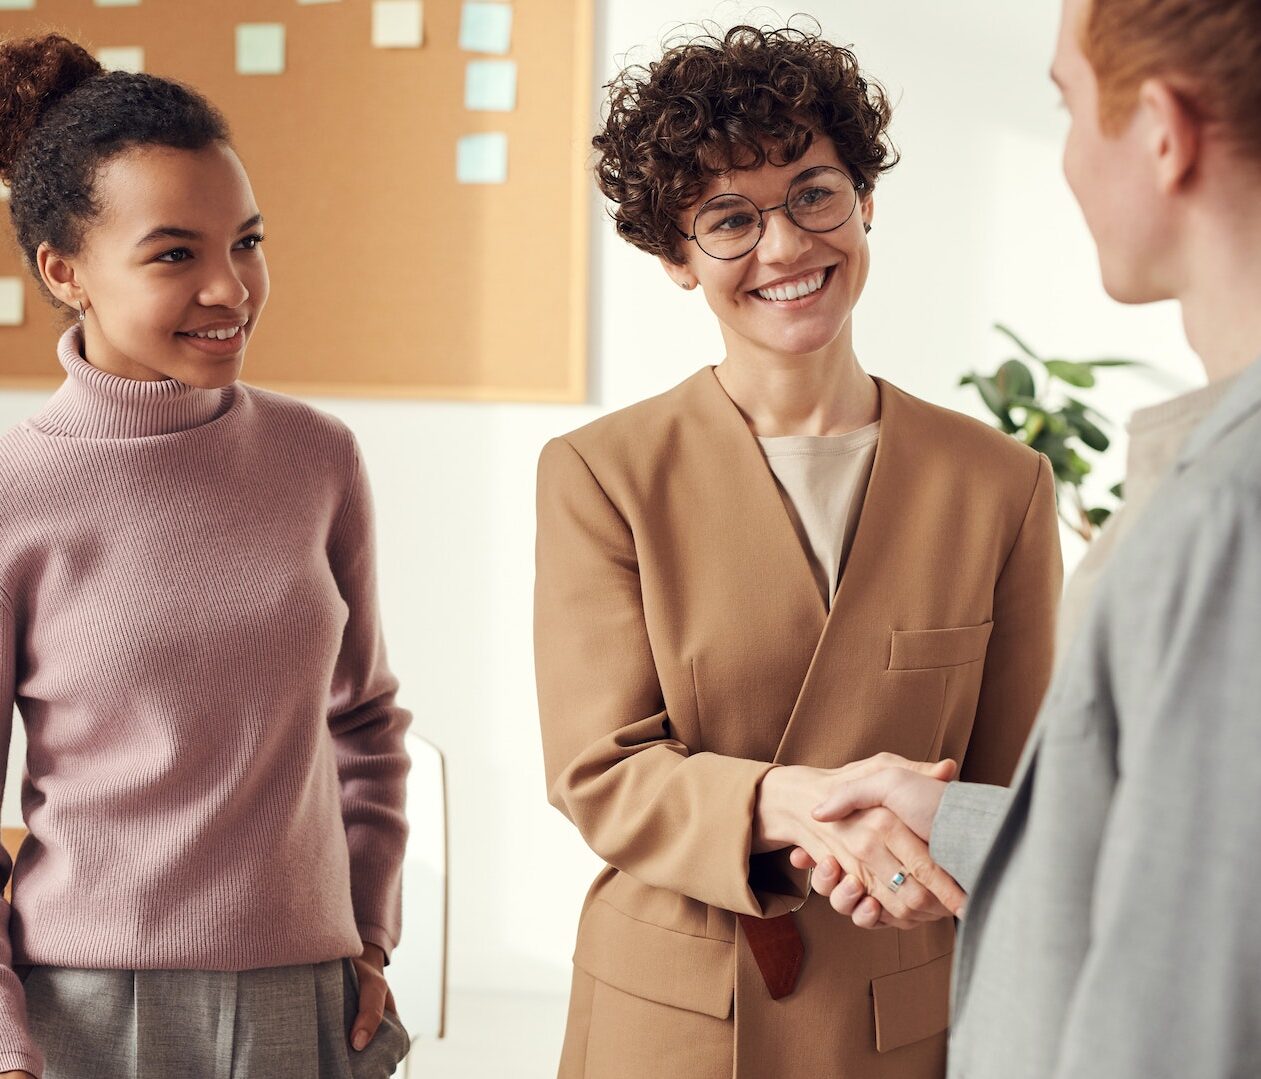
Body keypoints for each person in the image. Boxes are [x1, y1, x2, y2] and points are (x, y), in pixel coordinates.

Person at [533, 23, 1063, 1079]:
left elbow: (1006, 802)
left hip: (899, 1006)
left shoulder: (1001, 484)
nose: (782, 248)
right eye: (728, 219)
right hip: (673, 1013)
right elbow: (602, 772)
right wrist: (815, 805)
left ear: (864, 200)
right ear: (676, 257)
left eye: (812, 194)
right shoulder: (601, 472)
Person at [805, 0, 1261, 1075]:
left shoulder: (1224, 510)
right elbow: (1185, 849)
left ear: (1160, 129)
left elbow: (1185, 1003)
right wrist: (964, 823)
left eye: (1067, 105)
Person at [0, 35, 411, 1078]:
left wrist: (368, 933)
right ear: (64, 270)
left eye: (248, 242)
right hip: (86, 1013)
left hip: (306, 995)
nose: (232, 288)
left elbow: (363, 719)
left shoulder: (316, 455)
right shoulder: (15, 490)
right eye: (176, 253)